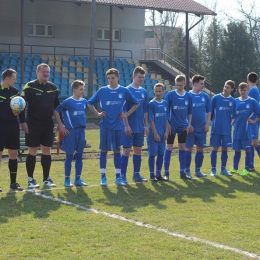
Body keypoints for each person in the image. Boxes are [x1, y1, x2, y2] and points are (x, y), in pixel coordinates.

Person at [87, 68, 139, 187]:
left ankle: (118, 177)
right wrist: (97, 114)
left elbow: (136, 103)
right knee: (104, 151)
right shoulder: (102, 91)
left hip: (118, 126)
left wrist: (126, 114)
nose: (110, 80)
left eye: (113, 78)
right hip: (105, 125)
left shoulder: (124, 90)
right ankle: (103, 177)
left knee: (117, 151)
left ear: (118, 78)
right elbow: (89, 103)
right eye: (109, 78)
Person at [21, 63, 60, 188]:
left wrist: (60, 123)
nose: (46, 74)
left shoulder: (53, 87)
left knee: (46, 151)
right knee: (32, 151)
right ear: (37, 73)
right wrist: (22, 122)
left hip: (48, 124)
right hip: (33, 124)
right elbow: (21, 105)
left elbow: (57, 108)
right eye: (43, 72)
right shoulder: (30, 86)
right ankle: (30, 179)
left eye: (47, 72)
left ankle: (46, 179)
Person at [54, 80, 88, 187]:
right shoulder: (68, 102)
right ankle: (67, 180)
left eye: (83, 89)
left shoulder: (84, 101)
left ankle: (78, 179)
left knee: (79, 155)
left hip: (81, 131)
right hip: (70, 132)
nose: (83, 91)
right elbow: (56, 111)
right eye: (81, 89)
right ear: (74, 90)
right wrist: (61, 125)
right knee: (69, 156)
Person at [0, 68, 27, 192]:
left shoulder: (15, 92)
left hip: (13, 126)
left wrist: (22, 121)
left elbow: (21, 108)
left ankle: (13, 183)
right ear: (7, 79)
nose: (15, 81)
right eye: (14, 79)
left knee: (13, 155)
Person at [121, 66, 149, 183]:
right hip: (129, 127)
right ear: (134, 76)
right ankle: (122, 176)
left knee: (138, 151)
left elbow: (146, 110)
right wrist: (126, 125)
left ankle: (136, 175)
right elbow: (123, 110)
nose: (141, 79)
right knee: (126, 151)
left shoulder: (144, 92)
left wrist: (146, 125)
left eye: (143, 77)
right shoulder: (126, 90)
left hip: (140, 127)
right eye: (139, 77)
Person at [163, 75, 192, 180]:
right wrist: (167, 124)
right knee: (169, 147)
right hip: (172, 126)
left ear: (185, 84)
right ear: (175, 84)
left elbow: (190, 112)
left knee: (182, 148)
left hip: (183, 127)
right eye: (177, 85)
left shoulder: (188, 96)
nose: (179, 87)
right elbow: (165, 110)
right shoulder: (170, 95)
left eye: (181, 85)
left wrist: (188, 124)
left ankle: (182, 172)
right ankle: (166, 173)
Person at [229, 82, 260, 176]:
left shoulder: (252, 101)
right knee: (237, 149)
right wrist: (233, 119)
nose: (242, 92)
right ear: (238, 90)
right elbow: (233, 114)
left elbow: (259, 113)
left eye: (244, 90)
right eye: (241, 90)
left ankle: (247, 168)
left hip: (247, 129)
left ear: (247, 90)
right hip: (237, 129)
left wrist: (254, 121)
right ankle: (235, 168)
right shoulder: (235, 101)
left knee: (247, 149)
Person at [185, 75, 210, 178]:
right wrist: (188, 124)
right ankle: (187, 171)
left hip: (201, 128)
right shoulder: (187, 96)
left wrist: (208, 123)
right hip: (190, 129)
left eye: (203, 83)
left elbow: (209, 111)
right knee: (188, 149)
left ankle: (197, 171)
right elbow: (184, 112)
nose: (203, 85)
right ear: (195, 84)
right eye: (201, 83)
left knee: (200, 149)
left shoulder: (205, 96)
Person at [209, 80, 236, 176]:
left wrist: (233, 120)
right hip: (216, 128)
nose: (225, 88)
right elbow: (210, 113)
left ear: (232, 89)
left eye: (228, 87)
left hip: (226, 129)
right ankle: (213, 170)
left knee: (225, 149)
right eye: (225, 86)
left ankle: (223, 169)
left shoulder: (233, 101)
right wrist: (208, 123)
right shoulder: (215, 98)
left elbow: (234, 115)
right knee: (214, 148)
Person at [147, 83, 169, 181]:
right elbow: (150, 120)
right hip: (153, 135)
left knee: (161, 154)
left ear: (163, 91)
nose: (158, 93)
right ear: (153, 91)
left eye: (160, 91)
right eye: (156, 91)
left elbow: (167, 119)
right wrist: (155, 133)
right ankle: (152, 175)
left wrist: (166, 132)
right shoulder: (151, 104)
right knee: (152, 154)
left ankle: (158, 174)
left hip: (162, 134)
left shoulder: (165, 103)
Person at [247, 72, 260, 171]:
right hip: (253, 120)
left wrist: (255, 119)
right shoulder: (255, 90)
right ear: (257, 81)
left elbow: (250, 106)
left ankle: (250, 165)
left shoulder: (253, 91)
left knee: (254, 142)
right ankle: (250, 165)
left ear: (247, 80)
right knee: (250, 142)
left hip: (252, 120)